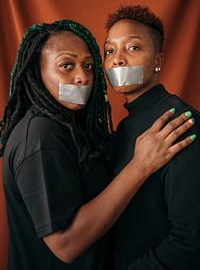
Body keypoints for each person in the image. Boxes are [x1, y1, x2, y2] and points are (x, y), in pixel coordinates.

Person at [0, 20, 195, 270]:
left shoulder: (163, 124)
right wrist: (139, 166)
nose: (82, 77)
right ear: (38, 71)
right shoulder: (41, 135)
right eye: (66, 65)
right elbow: (66, 246)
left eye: (89, 66)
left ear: (158, 59)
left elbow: (190, 239)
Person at [103, 5, 200, 270]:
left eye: (133, 48)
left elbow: (192, 242)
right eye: (110, 51)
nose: (118, 60)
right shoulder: (123, 128)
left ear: (158, 60)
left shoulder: (180, 123)